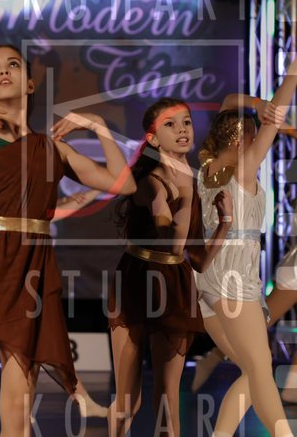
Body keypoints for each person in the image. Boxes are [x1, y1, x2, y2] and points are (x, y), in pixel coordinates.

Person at [0, 44, 136, 436]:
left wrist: (98, 126)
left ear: (30, 83)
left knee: (16, 416)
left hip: (27, 272)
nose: (4, 70)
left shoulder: (52, 147)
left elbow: (124, 184)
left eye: (13, 65)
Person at [107, 98, 233, 436]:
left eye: (186, 122)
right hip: (137, 280)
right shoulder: (151, 182)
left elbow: (199, 260)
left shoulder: (190, 182)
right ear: (152, 138)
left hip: (174, 282)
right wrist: (188, 194)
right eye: (170, 124)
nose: (182, 130)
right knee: (128, 399)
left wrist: (225, 223)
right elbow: (172, 243)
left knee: (167, 397)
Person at [194, 78, 297, 436]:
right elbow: (273, 122)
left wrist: (255, 104)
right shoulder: (242, 170)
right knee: (260, 369)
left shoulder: (207, 167)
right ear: (241, 143)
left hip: (207, 282)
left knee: (255, 372)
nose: (261, 144)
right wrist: (292, 76)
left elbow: (227, 104)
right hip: (234, 280)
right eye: (255, 138)